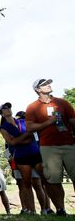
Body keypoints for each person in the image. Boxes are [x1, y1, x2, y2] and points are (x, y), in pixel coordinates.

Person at [24, 78, 75, 216]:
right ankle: (60, 209)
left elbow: (72, 120)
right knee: (53, 180)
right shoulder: (32, 107)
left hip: (70, 144)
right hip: (48, 147)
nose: (48, 85)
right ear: (38, 90)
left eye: (48, 83)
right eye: (44, 84)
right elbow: (29, 127)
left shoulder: (62, 102)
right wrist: (48, 122)